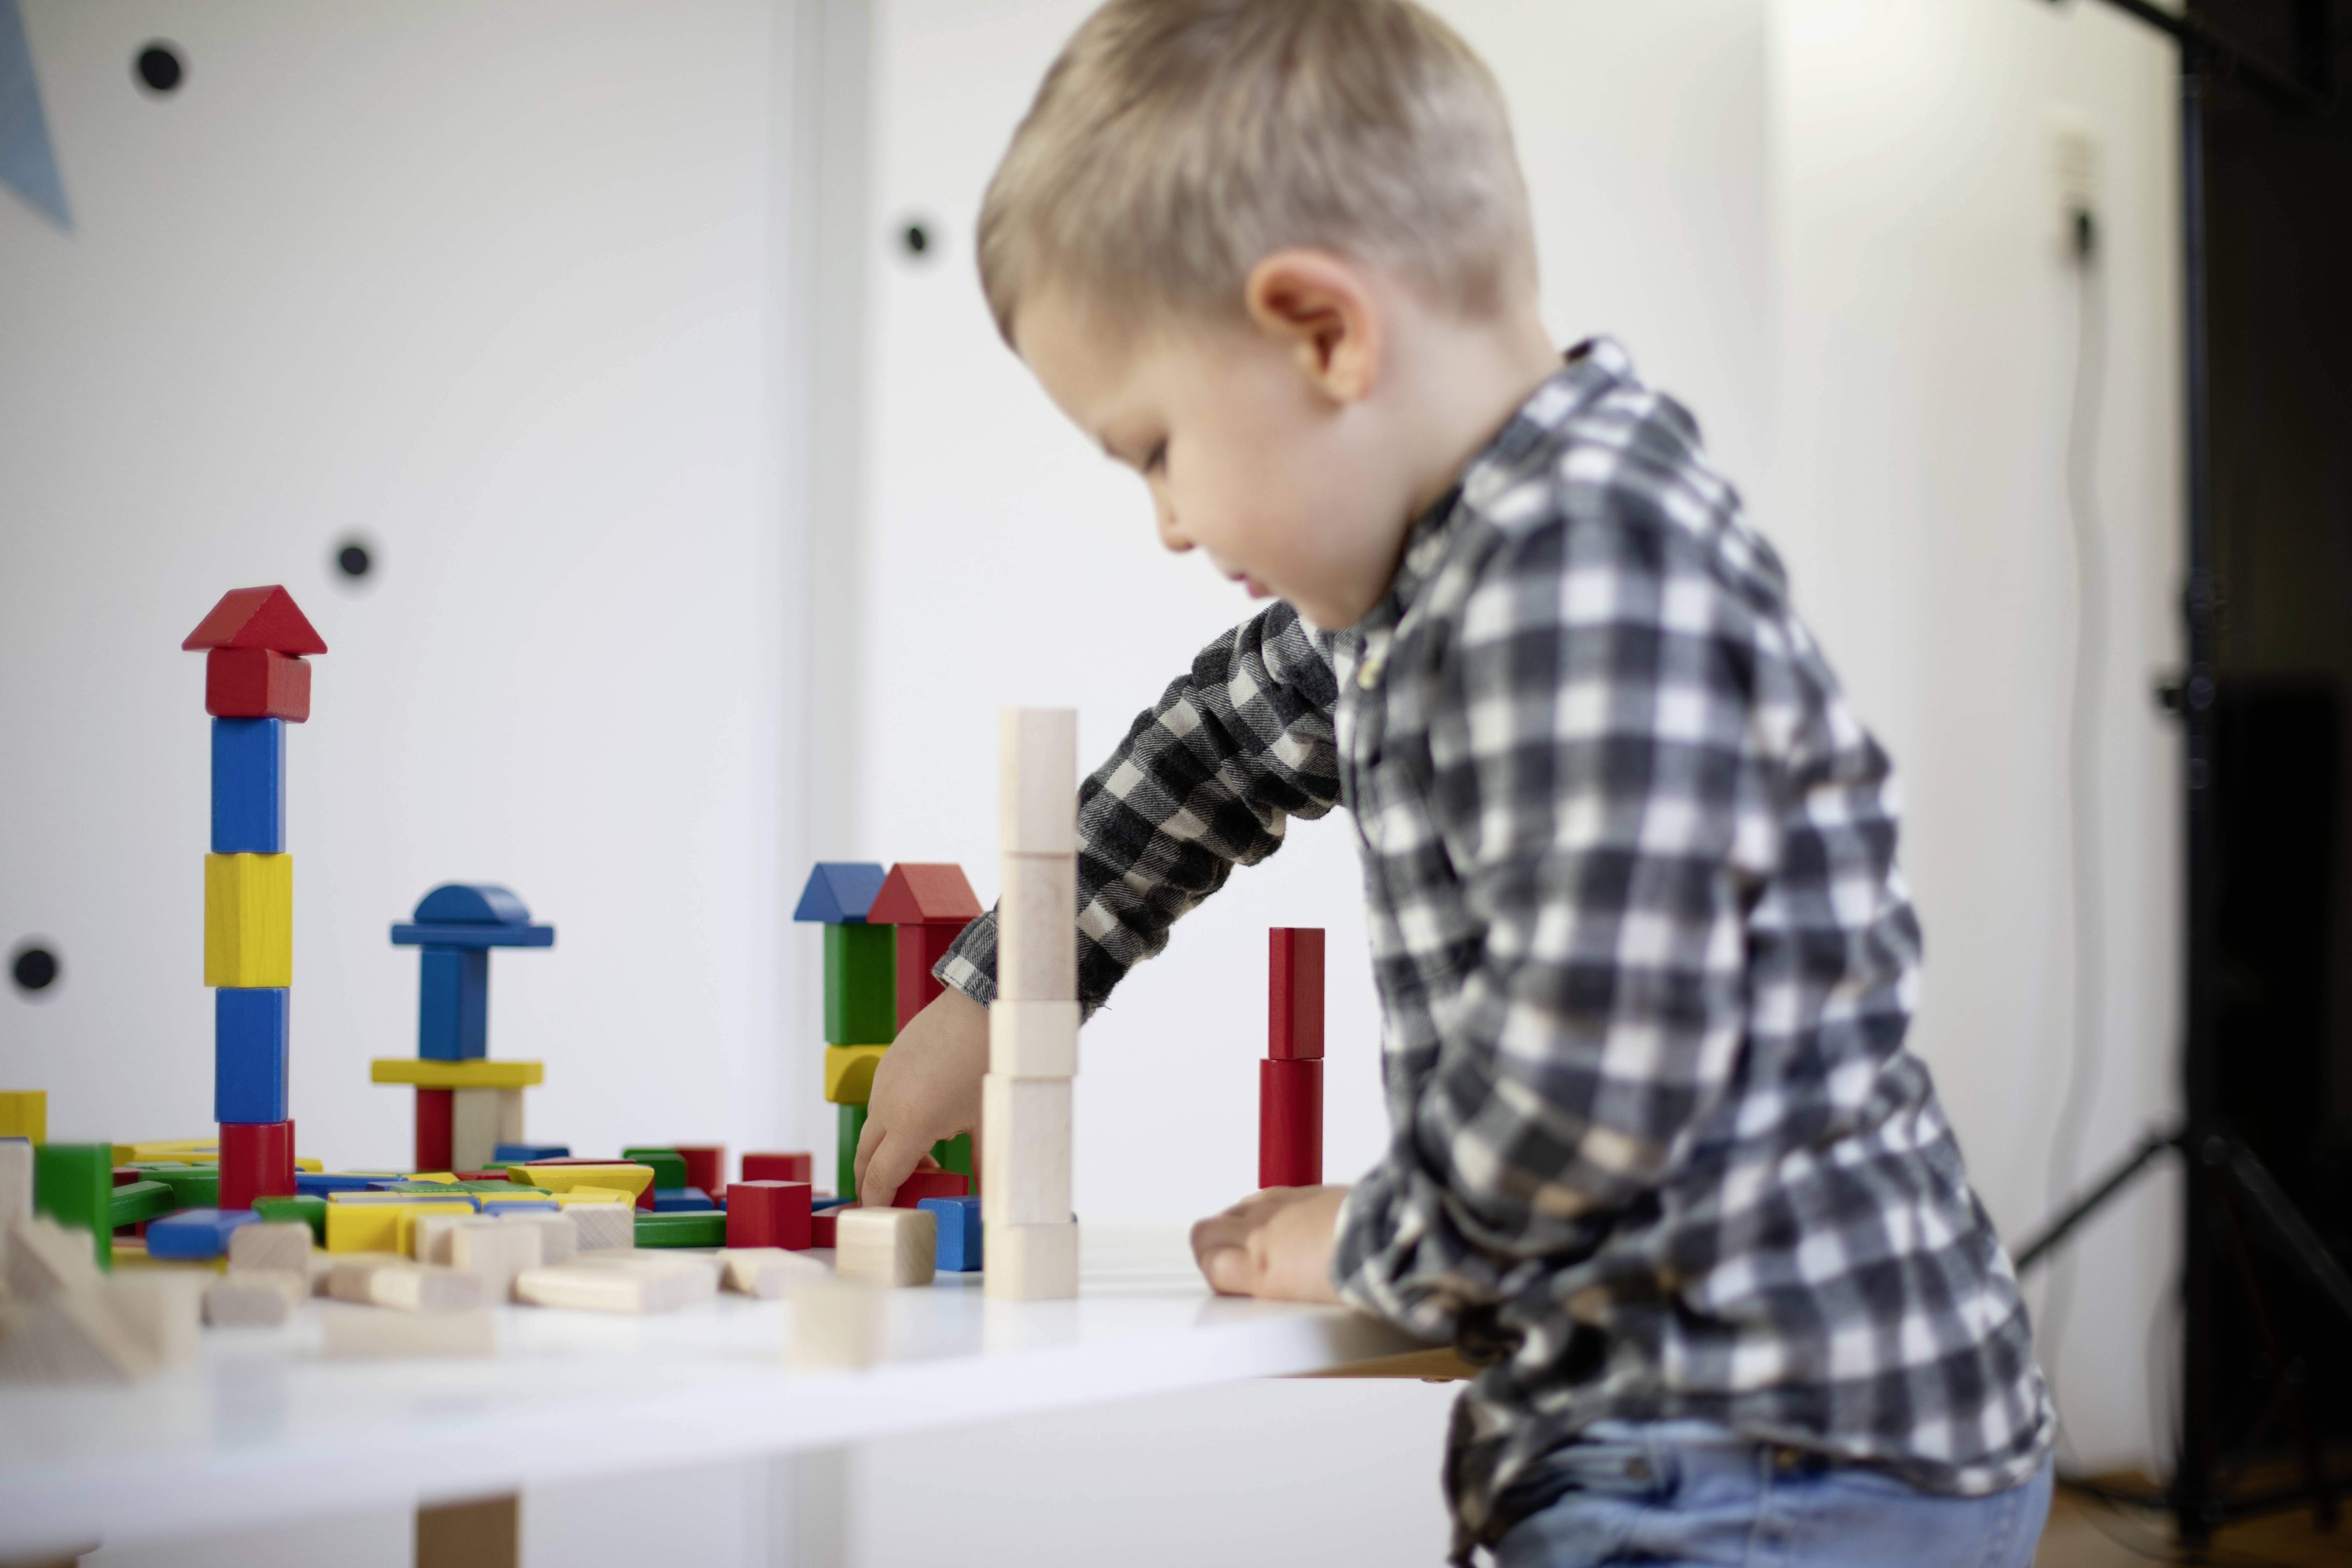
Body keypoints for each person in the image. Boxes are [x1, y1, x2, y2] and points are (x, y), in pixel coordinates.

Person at [852, 1, 2055, 1562]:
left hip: (1770, 1449)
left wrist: (1368, 1235)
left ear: (1324, 333)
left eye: (1154, 446)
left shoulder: (1579, 572)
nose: (1162, 519)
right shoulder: (1428, 572)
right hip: (1697, 1437)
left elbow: (1594, 1062)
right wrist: (1009, 985)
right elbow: (1215, 750)